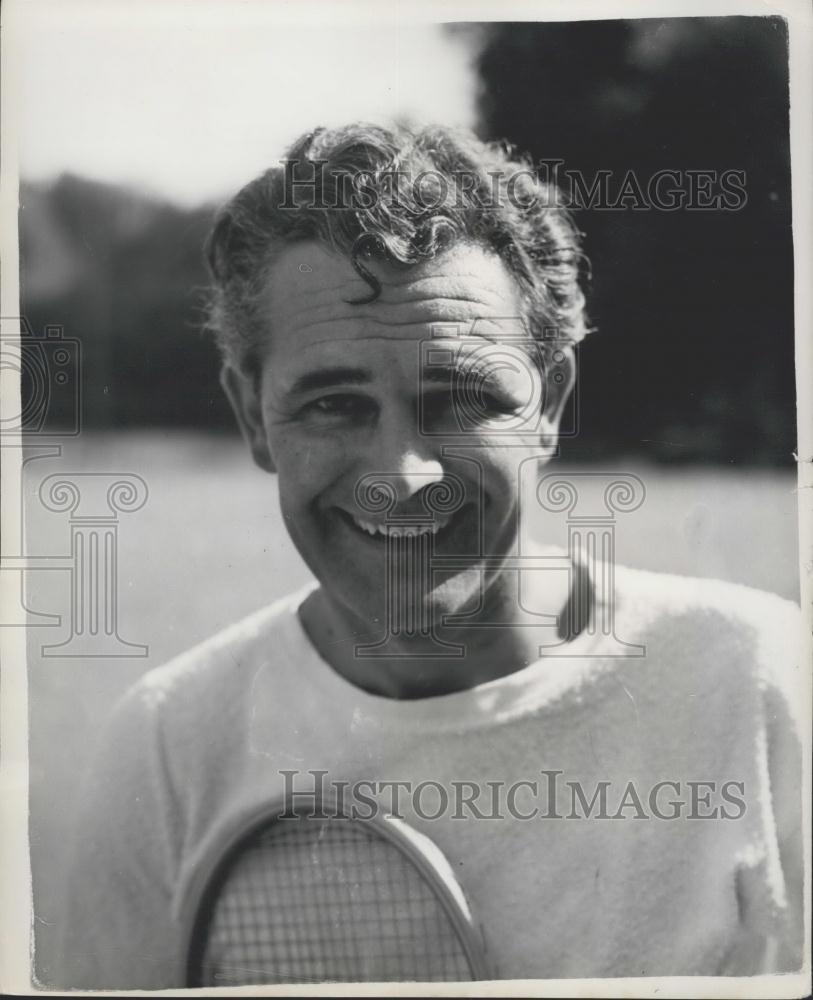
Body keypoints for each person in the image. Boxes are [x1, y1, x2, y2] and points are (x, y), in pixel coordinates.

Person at [52, 123, 803, 989]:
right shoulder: (168, 748)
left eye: (460, 398)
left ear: (548, 402)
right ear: (253, 416)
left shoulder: (758, 680)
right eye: (334, 405)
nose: (403, 476)